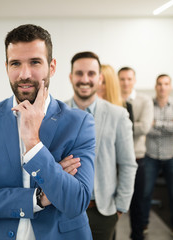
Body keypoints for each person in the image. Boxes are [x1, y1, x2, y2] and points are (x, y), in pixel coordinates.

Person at [0, 24, 96, 240]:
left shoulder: (79, 123)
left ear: (52, 67)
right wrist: (39, 198)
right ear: (6, 68)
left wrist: (33, 143)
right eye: (15, 63)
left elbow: (75, 201)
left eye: (35, 62)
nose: (24, 74)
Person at [65, 52, 137, 240]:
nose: (85, 79)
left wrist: (120, 207)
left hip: (102, 212)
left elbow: (128, 164)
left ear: (100, 78)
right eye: (79, 73)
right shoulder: (55, 113)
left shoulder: (118, 115)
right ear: (71, 77)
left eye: (91, 73)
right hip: (63, 210)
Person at [142, 74, 173, 240]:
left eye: (166, 84)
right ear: (156, 86)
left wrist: (157, 124)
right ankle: (143, 225)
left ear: (170, 86)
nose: (163, 87)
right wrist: (171, 125)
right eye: (160, 84)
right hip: (151, 156)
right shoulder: (148, 105)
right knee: (146, 193)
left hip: (171, 156)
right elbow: (147, 128)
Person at [118, 67, 154, 240]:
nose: (126, 83)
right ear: (118, 81)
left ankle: (137, 236)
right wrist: (133, 126)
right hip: (115, 161)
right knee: (111, 204)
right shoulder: (112, 99)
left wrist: (119, 128)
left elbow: (145, 127)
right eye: (122, 79)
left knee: (138, 203)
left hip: (137, 158)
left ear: (134, 80)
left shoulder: (145, 101)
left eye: (129, 79)